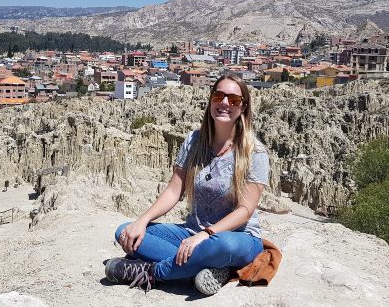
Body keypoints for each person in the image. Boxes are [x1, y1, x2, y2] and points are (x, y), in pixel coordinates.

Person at [105, 75, 270, 295]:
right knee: (125, 233)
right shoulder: (194, 141)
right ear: (211, 100)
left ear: (243, 107)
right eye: (218, 96)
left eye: (234, 100)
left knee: (220, 246)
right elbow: (174, 190)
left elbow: (245, 210)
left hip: (237, 238)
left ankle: (153, 272)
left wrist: (205, 235)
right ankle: (205, 269)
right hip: (191, 232)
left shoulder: (254, 152)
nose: (224, 103)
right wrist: (142, 221)